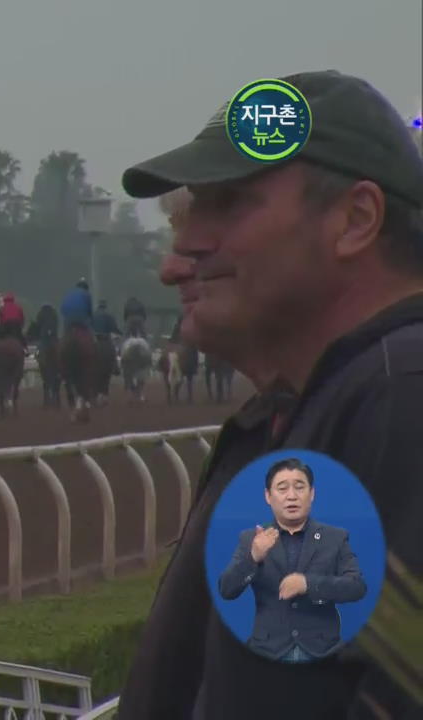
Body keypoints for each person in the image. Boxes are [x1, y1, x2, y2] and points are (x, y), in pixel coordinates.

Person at [117, 69, 423, 720]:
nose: (177, 258)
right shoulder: (324, 402)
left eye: (227, 204)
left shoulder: (401, 399)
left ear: (357, 219)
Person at [217, 457, 366, 664]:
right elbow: (227, 590)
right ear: (268, 496)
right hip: (267, 652)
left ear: (312, 493)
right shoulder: (252, 539)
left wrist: (308, 584)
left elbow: (356, 587)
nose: (292, 496)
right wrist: (253, 557)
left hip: (322, 652)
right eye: (282, 488)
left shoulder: (335, 537)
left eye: (299, 487)